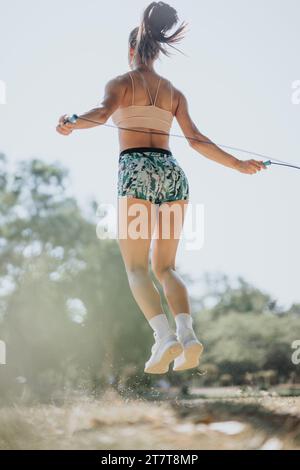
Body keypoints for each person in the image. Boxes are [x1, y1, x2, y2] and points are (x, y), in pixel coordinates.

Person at [56, 2, 266, 374]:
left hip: (136, 170)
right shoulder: (173, 91)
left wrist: (72, 121)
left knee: (136, 267)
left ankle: (164, 338)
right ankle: (188, 336)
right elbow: (197, 140)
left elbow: (102, 114)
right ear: (156, 50)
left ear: (131, 50)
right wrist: (238, 164)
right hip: (172, 173)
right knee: (166, 267)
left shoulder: (120, 83)